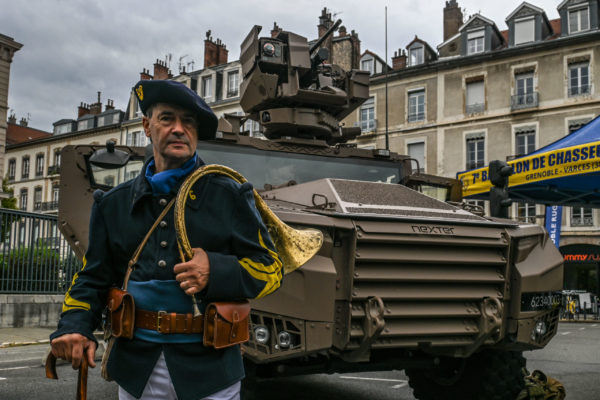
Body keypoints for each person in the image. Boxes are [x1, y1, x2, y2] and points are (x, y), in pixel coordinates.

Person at [50, 80, 283, 400]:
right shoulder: (112, 204)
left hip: (211, 370)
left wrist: (215, 270)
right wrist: (74, 326)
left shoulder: (231, 195)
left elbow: (270, 269)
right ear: (146, 125)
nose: (178, 129)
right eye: (167, 118)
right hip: (136, 369)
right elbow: (93, 278)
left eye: (188, 122)